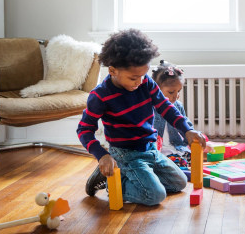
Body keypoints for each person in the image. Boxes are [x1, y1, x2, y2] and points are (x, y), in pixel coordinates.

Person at [77, 29, 206, 206]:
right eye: (133, 78)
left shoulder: (146, 82)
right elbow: (84, 130)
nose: (139, 82)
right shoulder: (100, 96)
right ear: (113, 70)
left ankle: (127, 175)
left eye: (143, 75)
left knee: (180, 182)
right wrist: (102, 156)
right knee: (155, 196)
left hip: (151, 149)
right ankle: (111, 181)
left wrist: (187, 129)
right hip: (126, 154)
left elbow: (166, 108)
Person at [151, 60, 193, 167]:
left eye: (178, 91)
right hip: (157, 150)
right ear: (157, 89)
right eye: (171, 92)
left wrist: (194, 137)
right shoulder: (149, 107)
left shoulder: (178, 105)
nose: (176, 96)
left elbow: (186, 125)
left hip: (176, 147)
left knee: (192, 159)